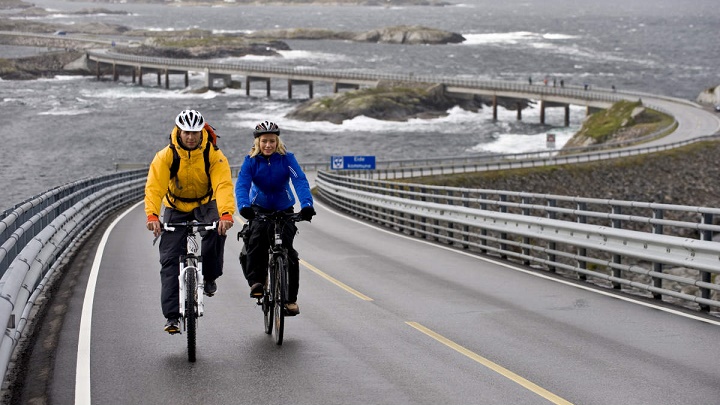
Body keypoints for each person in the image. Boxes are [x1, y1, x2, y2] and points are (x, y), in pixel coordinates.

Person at [144, 109, 235, 334]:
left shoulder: (213, 154)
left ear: (201, 132)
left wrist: (225, 214)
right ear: (179, 132)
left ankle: (210, 277)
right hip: (176, 206)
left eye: (195, 133)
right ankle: (172, 317)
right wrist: (153, 215)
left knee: (217, 232)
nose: (191, 137)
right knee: (169, 260)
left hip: (205, 203)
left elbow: (223, 185)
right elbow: (155, 187)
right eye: (186, 133)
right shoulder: (166, 155)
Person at [235, 121, 315, 316]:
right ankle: (258, 283)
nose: (268, 145)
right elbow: (242, 185)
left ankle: (289, 301)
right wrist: (244, 206)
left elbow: (300, 180)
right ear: (258, 142)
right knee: (256, 240)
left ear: (277, 141)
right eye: (264, 141)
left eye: (272, 141)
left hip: (283, 207)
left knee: (289, 254)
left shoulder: (287, 159)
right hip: (258, 208)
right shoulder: (251, 161)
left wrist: (306, 205)